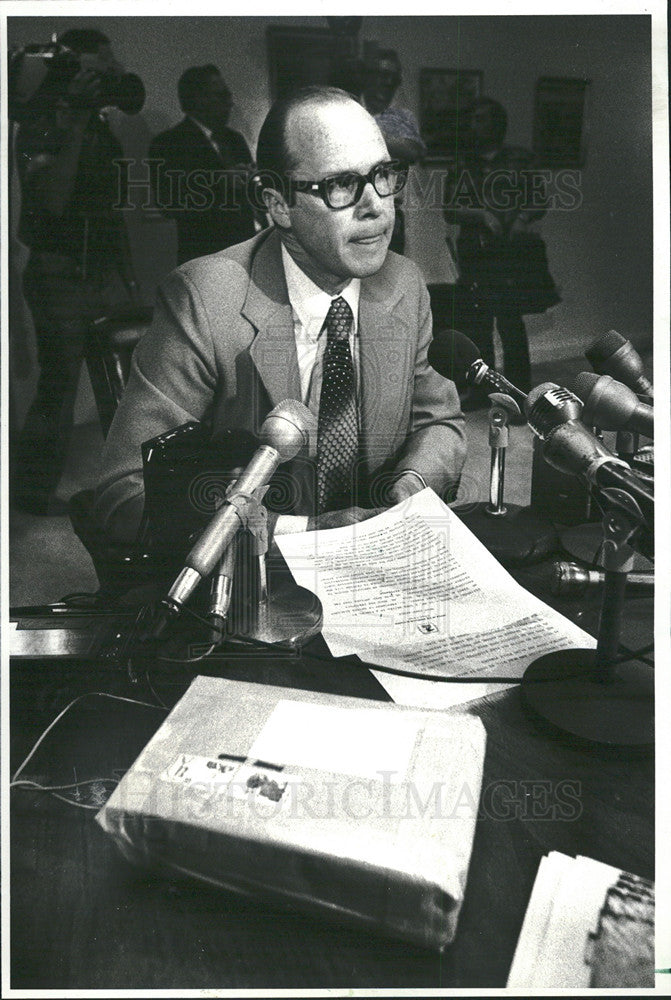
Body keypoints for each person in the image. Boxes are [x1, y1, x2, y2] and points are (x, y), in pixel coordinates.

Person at [95, 86, 465, 546]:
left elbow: (438, 422)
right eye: (341, 185)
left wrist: (407, 489)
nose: (376, 206)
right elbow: (125, 494)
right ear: (277, 205)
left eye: (384, 175)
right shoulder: (205, 300)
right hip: (253, 584)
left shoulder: (403, 284)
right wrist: (303, 532)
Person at [12, 28, 139, 515]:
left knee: (121, 383)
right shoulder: (42, 120)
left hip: (101, 269)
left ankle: (123, 488)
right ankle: (31, 495)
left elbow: (109, 208)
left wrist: (127, 277)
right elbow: (53, 199)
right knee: (59, 387)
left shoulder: (101, 126)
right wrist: (79, 121)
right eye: (98, 69)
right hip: (58, 271)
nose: (109, 77)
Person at [445, 97, 560, 405]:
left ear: (498, 124)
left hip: (512, 253)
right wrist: (481, 215)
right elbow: (449, 209)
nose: (474, 125)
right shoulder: (462, 163)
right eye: (472, 119)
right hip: (476, 253)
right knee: (479, 322)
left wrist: (522, 217)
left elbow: (539, 200)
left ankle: (519, 392)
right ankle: (484, 391)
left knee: (511, 323)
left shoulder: (520, 159)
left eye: (482, 119)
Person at [148, 65, 257, 265]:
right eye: (221, 95)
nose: (230, 103)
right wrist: (219, 181)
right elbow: (168, 202)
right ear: (197, 99)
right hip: (202, 256)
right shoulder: (169, 143)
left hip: (244, 254)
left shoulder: (234, 139)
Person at [360, 49, 426, 254]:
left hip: (389, 211)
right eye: (382, 75)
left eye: (393, 78)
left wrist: (365, 131)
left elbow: (414, 151)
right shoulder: (346, 106)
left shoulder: (401, 117)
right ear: (367, 76)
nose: (388, 83)